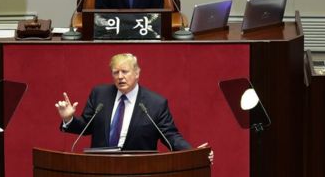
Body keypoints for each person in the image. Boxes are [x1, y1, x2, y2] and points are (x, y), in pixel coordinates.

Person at [55, 53, 213, 161]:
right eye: (115, 72)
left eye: (125, 71)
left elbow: (170, 137)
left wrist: (193, 153)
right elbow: (85, 126)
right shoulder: (100, 94)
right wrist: (68, 118)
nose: (120, 77)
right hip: (100, 168)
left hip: (139, 172)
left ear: (137, 73)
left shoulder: (155, 103)